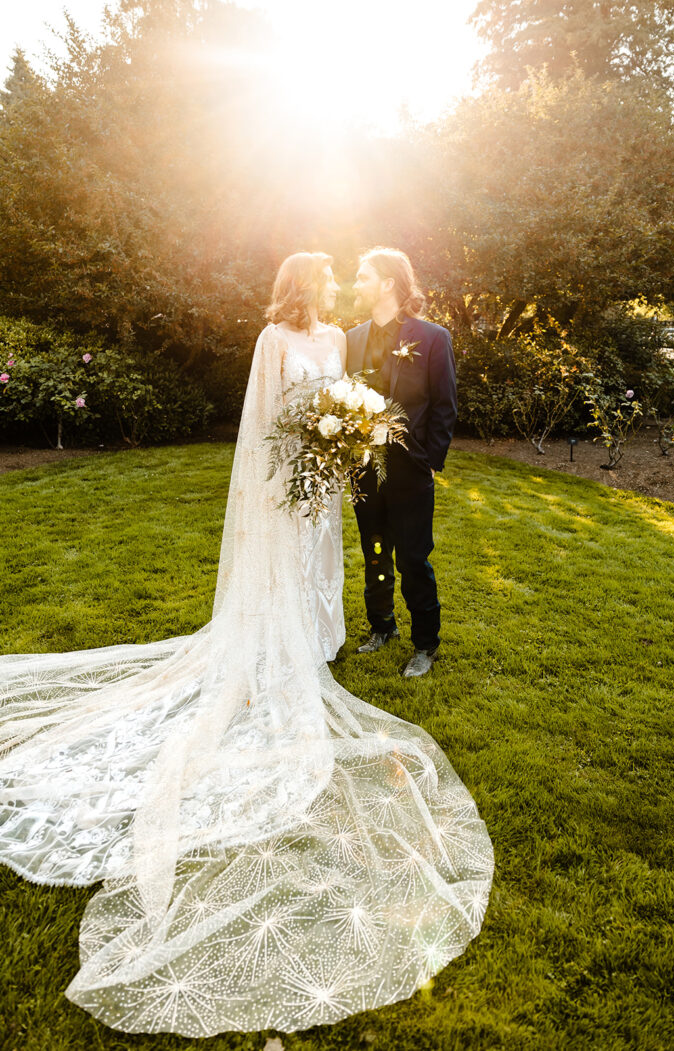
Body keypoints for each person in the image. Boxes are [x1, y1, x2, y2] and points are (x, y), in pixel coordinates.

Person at [0, 253, 493, 1038]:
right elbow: (272, 414)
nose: (341, 284)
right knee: (353, 559)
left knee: (396, 558)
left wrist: (395, 453)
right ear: (305, 284)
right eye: (327, 276)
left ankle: (396, 636)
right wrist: (300, 463)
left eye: (353, 275)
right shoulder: (303, 337)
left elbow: (410, 400)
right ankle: (357, 629)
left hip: (365, 468)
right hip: (311, 471)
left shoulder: (380, 335)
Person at [348, 248, 457, 678]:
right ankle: (382, 627)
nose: (356, 284)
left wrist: (430, 462)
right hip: (364, 469)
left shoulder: (432, 337)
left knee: (413, 558)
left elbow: (445, 405)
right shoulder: (351, 339)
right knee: (375, 552)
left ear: (388, 283)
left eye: (363, 276)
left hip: (410, 468)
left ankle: (425, 644)